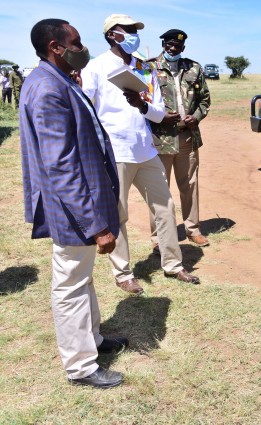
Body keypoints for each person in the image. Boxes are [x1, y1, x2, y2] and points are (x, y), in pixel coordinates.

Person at [21, 18, 128, 388]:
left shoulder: (58, 79)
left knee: (82, 280)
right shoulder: (48, 88)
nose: (83, 48)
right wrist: (96, 224)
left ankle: (93, 341)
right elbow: (61, 166)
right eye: (77, 42)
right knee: (69, 287)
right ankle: (81, 367)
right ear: (56, 46)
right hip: (75, 211)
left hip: (83, 206)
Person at [82, 14, 200, 295]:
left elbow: (160, 111)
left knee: (165, 208)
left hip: (145, 149)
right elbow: (86, 108)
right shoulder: (96, 67)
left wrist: (142, 106)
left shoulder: (143, 68)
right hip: (115, 152)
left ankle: (172, 264)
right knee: (119, 214)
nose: (135, 34)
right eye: (129, 30)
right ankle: (123, 273)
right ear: (113, 35)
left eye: (136, 30)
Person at [148, 29, 211, 250]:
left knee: (190, 185)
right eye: (170, 44)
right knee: (158, 188)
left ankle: (193, 229)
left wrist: (196, 117)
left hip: (187, 137)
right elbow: (140, 102)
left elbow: (205, 99)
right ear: (163, 44)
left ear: (183, 48)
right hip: (160, 138)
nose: (173, 48)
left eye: (178, 46)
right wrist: (159, 117)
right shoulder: (149, 68)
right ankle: (159, 238)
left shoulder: (194, 68)